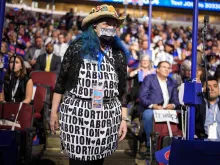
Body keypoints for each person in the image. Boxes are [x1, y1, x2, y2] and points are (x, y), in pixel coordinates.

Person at [50, 4, 128, 165]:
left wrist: (124, 120)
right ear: (95, 25)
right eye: (107, 23)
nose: (111, 27)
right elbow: (61, 83)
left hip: (106, 117)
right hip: (78, 114)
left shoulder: (118, 54)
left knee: (98, 162)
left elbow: (122, 91)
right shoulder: (77, 48)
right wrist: (53, 113)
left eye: (114, 25)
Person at [139, 61, 179, 147]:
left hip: (167, 110)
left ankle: (173, 142)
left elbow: (176, 100)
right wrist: (153, 106)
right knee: (147, 114)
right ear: (157, 69)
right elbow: (142, 97)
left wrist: (173, 105)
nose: (166, 69)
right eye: (164, 67)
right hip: (153, 109)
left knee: (181, 114)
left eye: (168, 68)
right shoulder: (149, 79)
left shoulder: (172, 82)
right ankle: (151, 142)